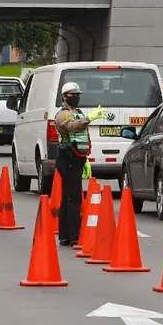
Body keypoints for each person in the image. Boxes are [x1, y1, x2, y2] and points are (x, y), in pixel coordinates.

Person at [53, 82, 106, 247]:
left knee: (69, 197)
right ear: (64, 96)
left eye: (77, 95)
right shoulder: (63, 114)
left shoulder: (78, 112)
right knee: (73, 198)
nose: (75, 97)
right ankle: (74, 236)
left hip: (77, 158)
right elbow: (72, 127)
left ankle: (66, 236)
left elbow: (83, 136)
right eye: (72, 95)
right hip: (68, 158)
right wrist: (89, 118)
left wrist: (85, 159)